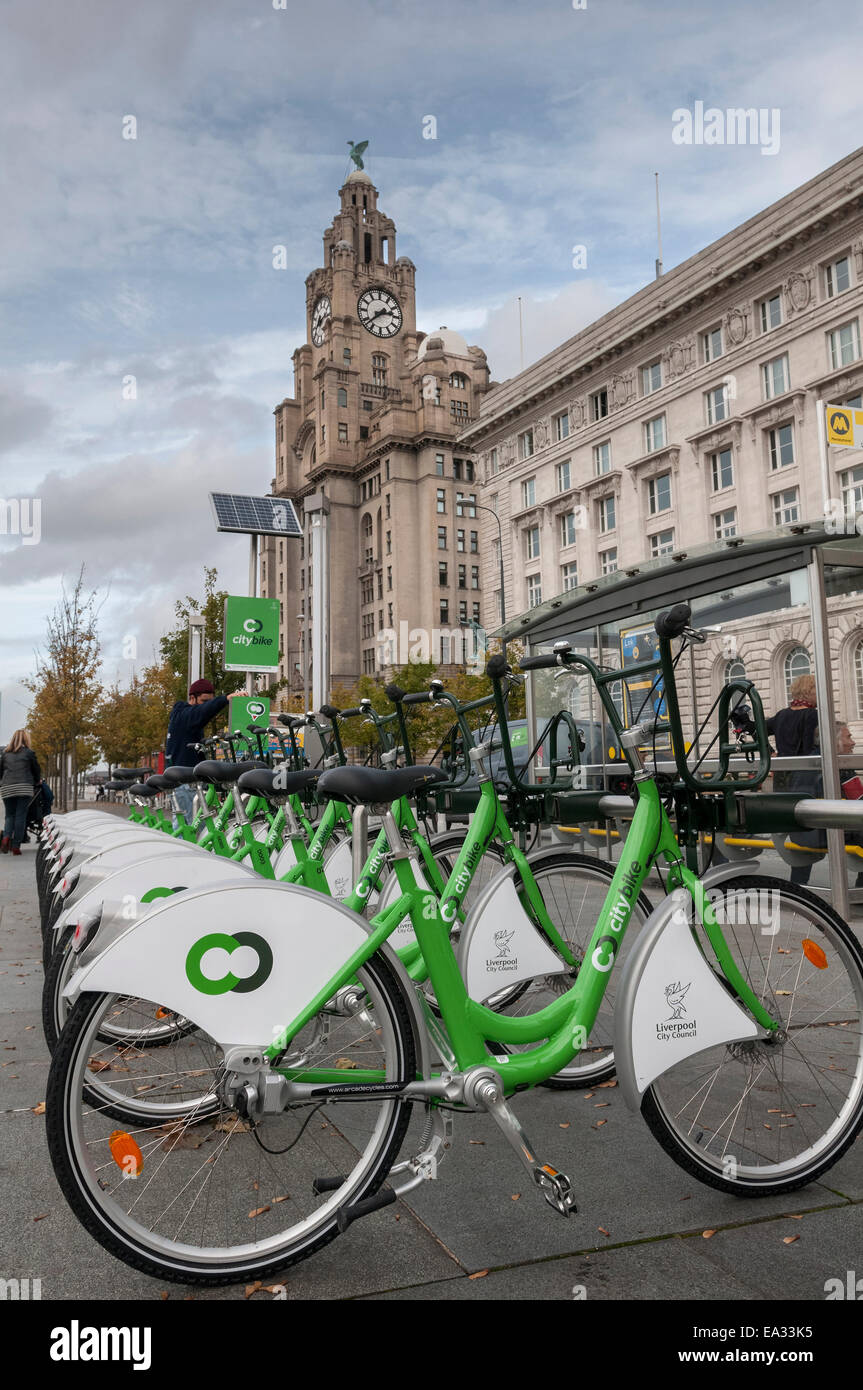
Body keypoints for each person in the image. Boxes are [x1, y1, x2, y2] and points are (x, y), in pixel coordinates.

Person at [766, 675, 820, 885]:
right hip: (803, 779)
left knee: (794, 828)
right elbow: (809, 751)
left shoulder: (781, 715)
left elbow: (757, 728)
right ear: (809, 691)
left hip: (782, 779)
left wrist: (770, 753)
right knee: (808, 828)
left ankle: (797, 882)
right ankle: (799, 885)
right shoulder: (812, 715)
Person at [165, 679, 243, 823]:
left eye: (209, 701)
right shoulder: (184, 716)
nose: (207, 706)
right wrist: (225, 699)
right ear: (192, 698)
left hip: (185, 781)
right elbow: (201, 712)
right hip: (186, 783)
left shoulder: (185, 720)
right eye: (204, 701)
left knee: (191, 828)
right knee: (190, 831)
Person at [0, 729, 42, 855]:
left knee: (9, 815)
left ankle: (6, 838)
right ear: (26, 739)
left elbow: (0, 771)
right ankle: (16, 846)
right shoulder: (29, 753)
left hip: (7, 787)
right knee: (20, 816)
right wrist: (37, 781)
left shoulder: (5, 753)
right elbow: (36, 770)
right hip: (24, 787)